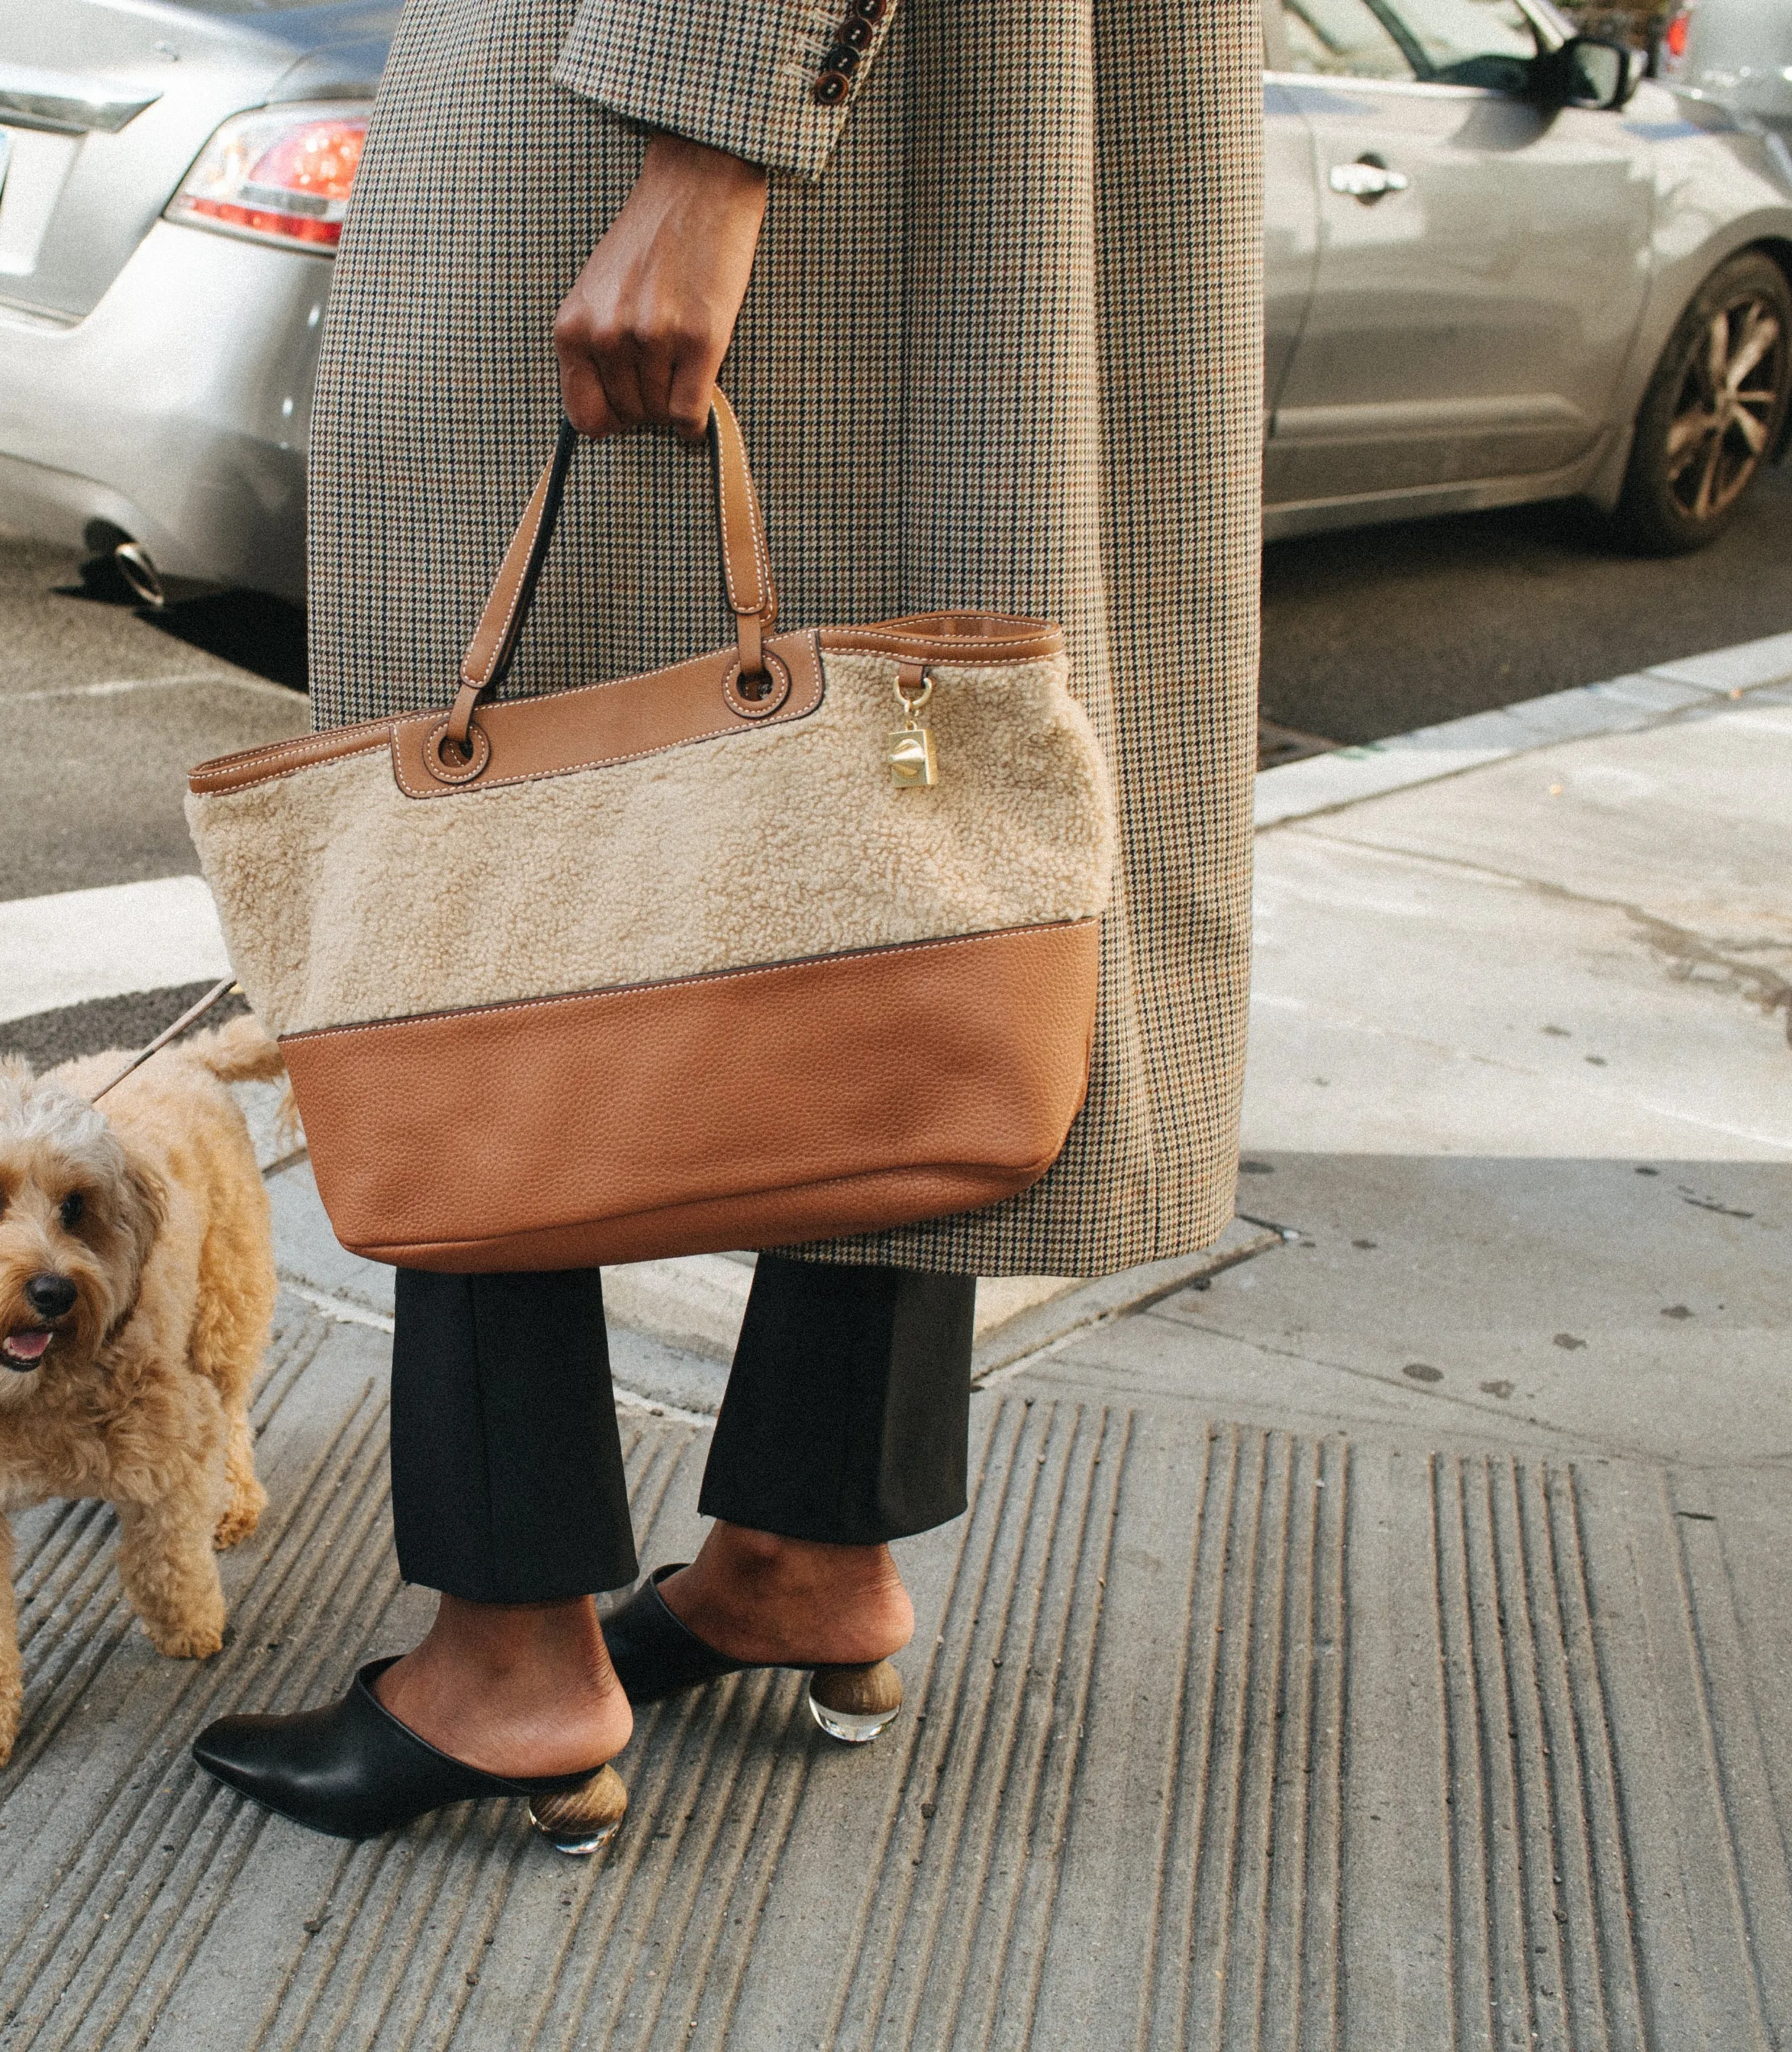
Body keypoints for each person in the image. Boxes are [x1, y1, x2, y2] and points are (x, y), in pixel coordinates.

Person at [193, 0, 1264, 1843]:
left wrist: (708, 144)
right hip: (994, 117)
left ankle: (509, 1655)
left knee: (466, 857)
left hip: (648, 104)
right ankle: (801, 1542)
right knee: (917, 786)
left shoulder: (698, 140)